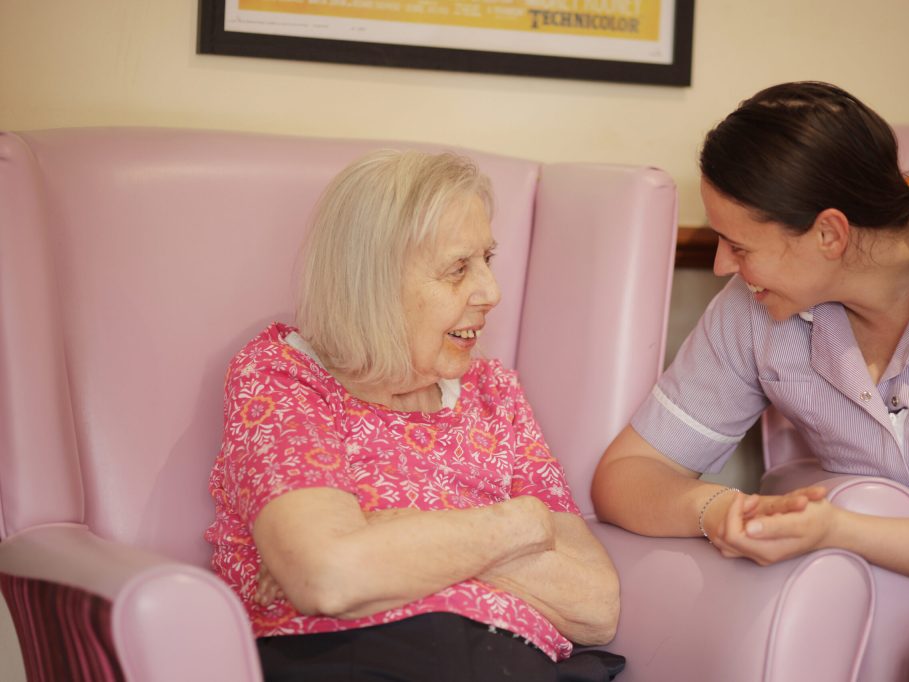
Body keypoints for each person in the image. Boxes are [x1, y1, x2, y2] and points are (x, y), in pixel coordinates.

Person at [591, 81, 909, 681]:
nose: (719, 265)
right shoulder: (755, 307)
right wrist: (718, 509)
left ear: (829, 234)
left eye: (738, 245)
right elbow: (627, 473)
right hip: (887, 589)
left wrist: (840, 530)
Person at [205, 149, 623, 682]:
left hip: (514, 664)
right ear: (373, 280)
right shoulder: (285, 376)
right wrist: (521, 525)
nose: (491, 292)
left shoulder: (493, 392)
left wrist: (393, 530)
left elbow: (596, 605)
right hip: (345, 657)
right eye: (458, 269)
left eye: (487, 260)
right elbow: (329, 578)